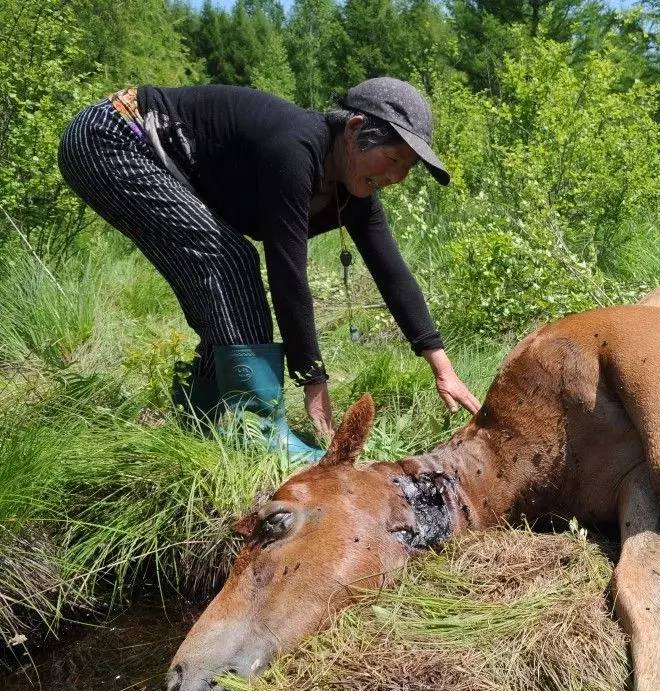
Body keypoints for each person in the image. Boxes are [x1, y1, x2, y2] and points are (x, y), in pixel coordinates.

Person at [58, 78, 481, 463]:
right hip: (112, 137)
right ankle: (256, 427)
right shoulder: (295, 149)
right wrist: (313, 382)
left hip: (136, 148)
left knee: (226, 267)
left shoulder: (354, 192)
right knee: (228, 257)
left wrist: (444, 370)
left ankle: (201, 415)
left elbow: (393, 274)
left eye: (406, 169)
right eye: (392, 159)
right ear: (354, 131)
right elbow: (287, 272)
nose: (395, 177)